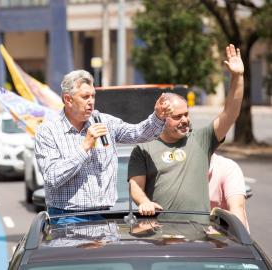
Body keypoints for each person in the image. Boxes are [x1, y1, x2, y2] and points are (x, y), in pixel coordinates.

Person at [34, 69, 173, 224]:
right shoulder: (48, 131)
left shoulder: (104, 122)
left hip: (106, 215)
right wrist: (84, 147)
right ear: (68, 99)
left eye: (93, 96)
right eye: (85, 97)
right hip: (66, 217)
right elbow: (52, 177)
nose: (91, 102)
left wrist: (158, 117)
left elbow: (138, 134)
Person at [128, 44, 244, 220]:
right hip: (160, 239)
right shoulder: (143, 148)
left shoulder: (201, 139)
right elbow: (136, 186)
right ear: (163, 117)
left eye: (186, 114)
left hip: (198, 238)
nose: (184, 120)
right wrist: (144, 202)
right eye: (177, 116)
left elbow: (230, 113)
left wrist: (237, 77)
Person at [209, 153, 249, 231]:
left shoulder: (228, 167)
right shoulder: (179, 167)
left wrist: (238, 242)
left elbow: (237, 208)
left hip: (225, 238)